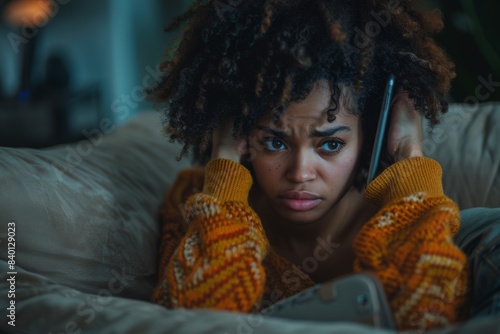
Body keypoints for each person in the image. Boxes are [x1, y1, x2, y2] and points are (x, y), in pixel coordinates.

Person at [148, 0, 470, 331]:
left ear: (370, 137)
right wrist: (226, 159)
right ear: (241, 131)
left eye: (330, 145)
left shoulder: (404, 215)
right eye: (275, 142)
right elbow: (196, 322)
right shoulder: (197, 202)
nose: (300, 173)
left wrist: (408, 151)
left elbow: (432, 317)